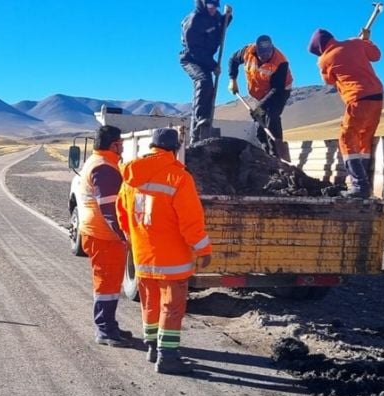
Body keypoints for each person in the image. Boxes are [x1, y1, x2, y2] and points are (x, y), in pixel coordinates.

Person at [117, 128, 213, 375]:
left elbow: (122, 213)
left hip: (142, 256)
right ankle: (168, 357)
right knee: (171, 307)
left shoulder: (131, 176)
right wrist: (203, 249)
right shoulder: (178, 177)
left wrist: (134, 237)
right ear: (175, 149)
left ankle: (151, 347)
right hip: (172, 260)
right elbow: (190, 221)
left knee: (150, 304)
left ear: (152, 147)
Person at [308, 27, 384, 198]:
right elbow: (376, 55)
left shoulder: (324, 59)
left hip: (358, 97)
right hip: (377, 96)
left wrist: (322, 62)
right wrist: (365, 40)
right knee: (364, 138)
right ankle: (364, 182)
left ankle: (359, 185)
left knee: (346, 139)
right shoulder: (355, 43)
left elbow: (329, 81)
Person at [78, 126, 133, 347]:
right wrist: (123, 235)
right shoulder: (105, 168)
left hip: (98, 233)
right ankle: (104, 330)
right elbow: (110, 208)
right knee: (107, 284)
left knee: (109, 283)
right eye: (120, 142)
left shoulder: (97, 162)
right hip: (104, 236)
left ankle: (109, 325)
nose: (123, 146)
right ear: (113, 145)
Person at [227, 34, 293, 159]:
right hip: (260, 93)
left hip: (280, 91)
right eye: (262, 54)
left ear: (272, 49)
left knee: (271, 116)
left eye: (268, 54)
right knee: (259, 123)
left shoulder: (280, 61)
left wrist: (261, 107)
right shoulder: (247, 51)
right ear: (257, 50)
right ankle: (265, 153)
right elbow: (233, 60)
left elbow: (276, 89)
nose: (265, 57)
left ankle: (277, 156)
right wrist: (232, 79)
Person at [181, 0, 231, 146]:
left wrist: (228, 16)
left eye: (216, 7)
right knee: (203, 81)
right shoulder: (193, 20)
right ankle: (199, 122)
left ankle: (206, 119)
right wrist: (213, 64)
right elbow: (194, 49)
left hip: (206, 59)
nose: (213, 9)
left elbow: (221, 29)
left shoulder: (215, 17)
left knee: (209, 87)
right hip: (191, 59)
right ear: (203, 4)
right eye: (210, 6)